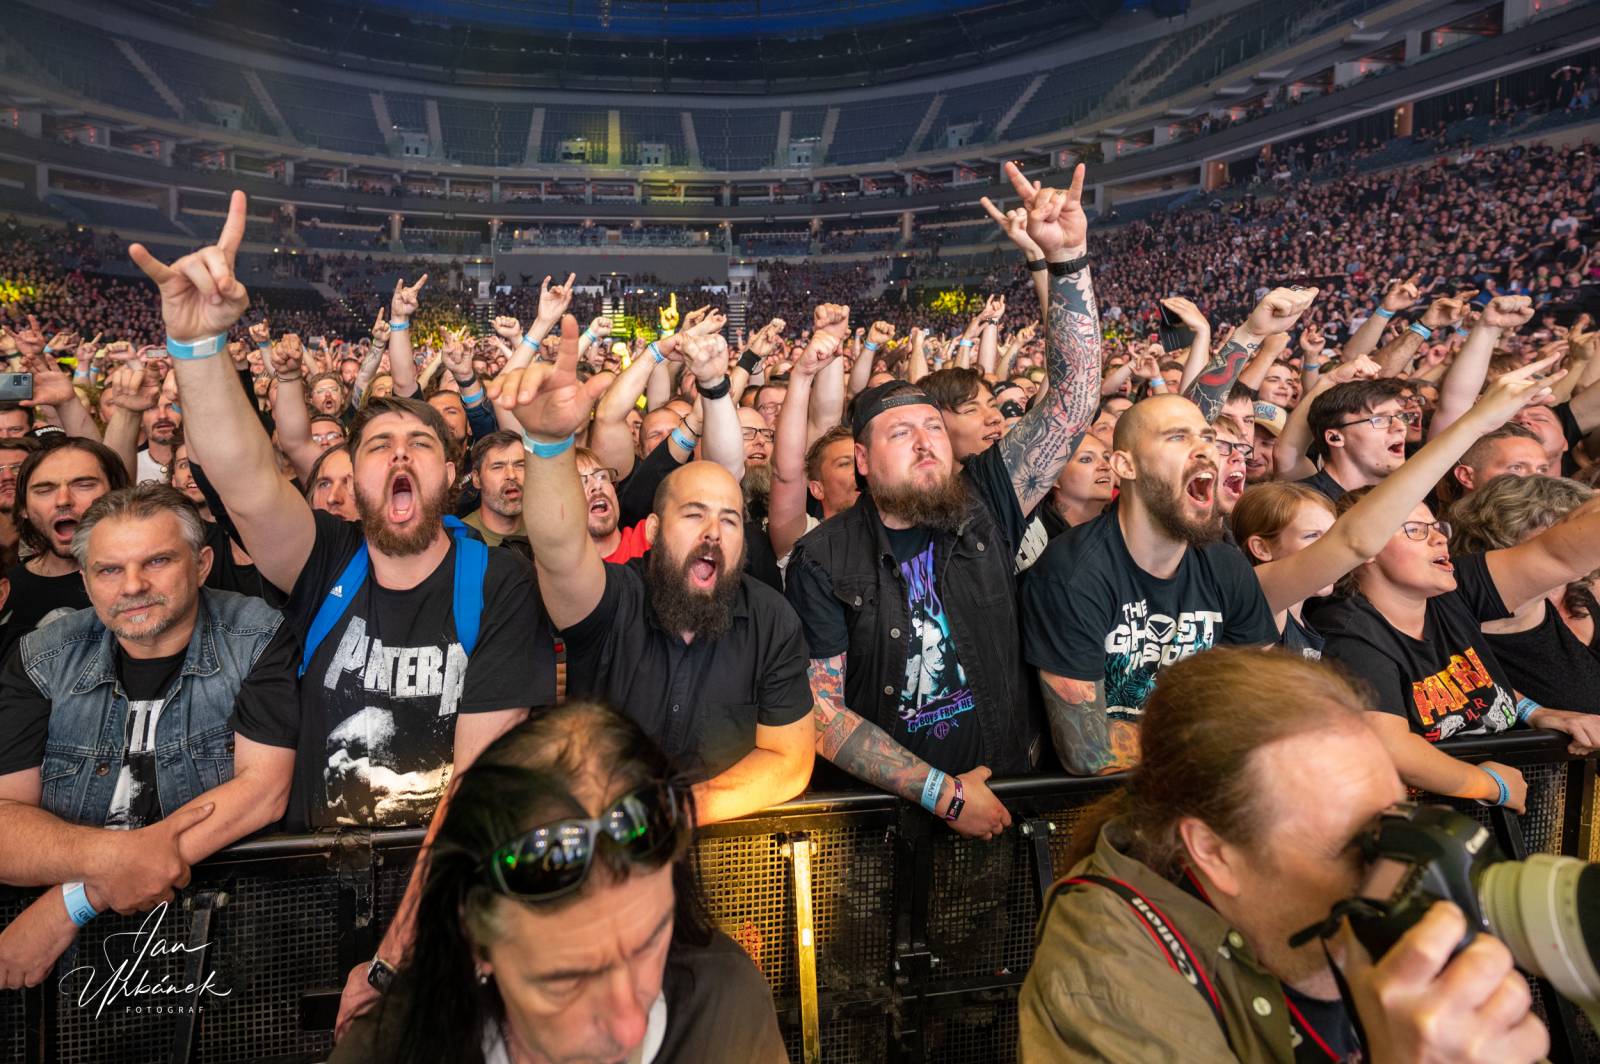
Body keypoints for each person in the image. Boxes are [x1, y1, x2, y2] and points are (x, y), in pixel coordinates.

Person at [125, 197, 557, 1031]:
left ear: (449, 475)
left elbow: (475, 789)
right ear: (352, 481)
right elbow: (238, 468)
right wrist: (196, 344)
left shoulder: (497, 584)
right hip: (307, 887)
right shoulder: (324, 554)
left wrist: (399, 954)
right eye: (377, 447)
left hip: (443, 905)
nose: (399, 455)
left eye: (421, 445)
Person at [1019, 648, 1549, 1064]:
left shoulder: (1372, 910)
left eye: (1396, 820)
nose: (1394, 861)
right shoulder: (1105, 968)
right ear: (1215, 853)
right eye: (1355, 842)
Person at [786, 163, 1103, 838]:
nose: (927, 442)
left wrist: (1067, 260)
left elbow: (1074, 401)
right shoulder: (822, 559)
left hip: (1010, 787)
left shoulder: (985, 496)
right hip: (886, 825)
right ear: (864, 464)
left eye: (934, 426)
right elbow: (825, 712)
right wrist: (942, 794)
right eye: (902, 434)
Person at [331, 702, 788, 1063]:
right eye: (567, 980)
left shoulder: (728, 1006)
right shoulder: (385, 1051)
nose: (630, 1026)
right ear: (477, 941)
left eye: (650, 943)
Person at [494, 315, 814, 825]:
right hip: (602, 868)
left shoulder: (771, 619)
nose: (714, 532)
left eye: (730, 520)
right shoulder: (611, 600)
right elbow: (557, 547)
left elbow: (790, 762)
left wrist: (672, 811)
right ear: (652, 531)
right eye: (694, 514)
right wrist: (549, 445)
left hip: (730, 872)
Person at [0, 485, 299, 988]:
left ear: (202, 564)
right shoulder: (42, 657)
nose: (133, 586)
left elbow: (262, 792)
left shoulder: (256, 635)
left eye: (157, 561)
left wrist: (75, 899)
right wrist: (118, 862)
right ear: (86, 580)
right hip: (77, 971)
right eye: (109, 569)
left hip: (225, 946)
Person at [1022, 394, 1278, 776]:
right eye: (1177, 437)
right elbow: (1087, 751)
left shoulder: (1225, 565)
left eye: (1207, 438)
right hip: (1095, 807)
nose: (1205, 451)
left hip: (1202, 791)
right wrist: (1219, 739)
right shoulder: (1071, 575)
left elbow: (1265, 701)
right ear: (1125, 465)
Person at [1310, 480, 1600, 811]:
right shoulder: (1349, 633)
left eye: (1437, 527)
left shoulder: (1449, 593)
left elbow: (1559, 555)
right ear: (1367, 547)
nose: (1439, 538)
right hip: (1427, 828)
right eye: (1416, 530)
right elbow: (1390, 745)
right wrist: (1488, 785)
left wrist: (1535, 712)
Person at [1449, 474, 1600, 712]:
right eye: (1557, 534)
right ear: (1504, 533)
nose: (1575, 542)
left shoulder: (1545, 601)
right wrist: (1530, 711)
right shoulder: (1482, 603)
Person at [1, 439, 129, 661]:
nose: (63, 500)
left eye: (84, 485)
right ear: (23, 508)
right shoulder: (6, 588)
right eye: (44, 489)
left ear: (116, 494)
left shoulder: (142, 582)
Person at [1298, 379, 1414, 500]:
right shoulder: (1303, 504)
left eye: (1400, 416)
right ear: (1335, 438)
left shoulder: (1405, 496)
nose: (1400, 427)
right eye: (1379, 419)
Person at [461, 431, 525, 548]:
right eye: (498, 467)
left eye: (520, 465)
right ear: (476, 479)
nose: (511, 475)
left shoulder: (546, 530)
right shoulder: (459, 539)